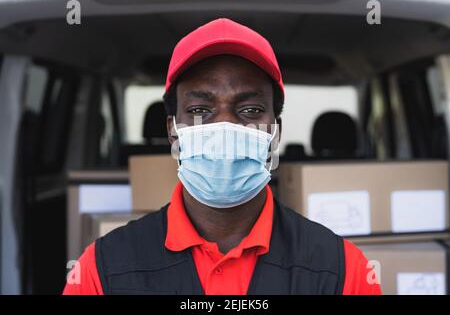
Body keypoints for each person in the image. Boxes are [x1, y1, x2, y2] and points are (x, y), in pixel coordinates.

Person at [63, 18, 381, 295]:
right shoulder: (101, 271)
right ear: (173, 131)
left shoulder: (344, 272)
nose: (225, 126)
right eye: (201, 110)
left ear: (275, 132)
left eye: (250, 110)